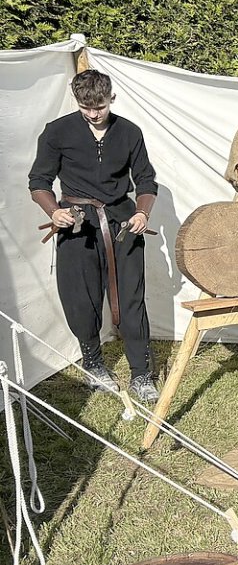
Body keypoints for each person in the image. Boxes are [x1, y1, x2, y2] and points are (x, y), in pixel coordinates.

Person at [28, 69, 159, 400]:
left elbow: (146, 180)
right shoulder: (57, 132)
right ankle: (94, 364)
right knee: (80, 299)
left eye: (99, 106)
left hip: (123, 223)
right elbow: (39, 181)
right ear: (78, 102)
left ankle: (142, 373)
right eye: (87, 107)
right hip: (77, 225)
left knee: (131, 298)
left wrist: (142, 212)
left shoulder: (129, 132)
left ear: (111, 98)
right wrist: (54, 212)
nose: (94, 113)